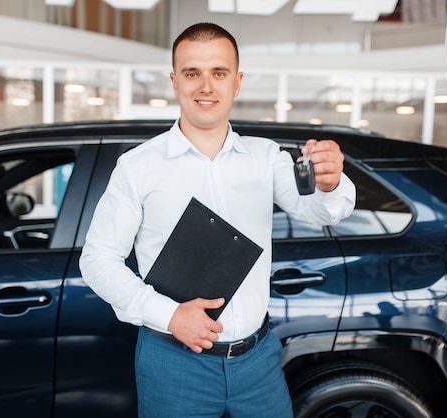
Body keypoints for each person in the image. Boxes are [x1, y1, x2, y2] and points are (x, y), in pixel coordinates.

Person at [79, 22, 356, 418]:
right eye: (193, 73)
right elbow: (98, 259)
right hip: (174, 362)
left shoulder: (267, 158)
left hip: (257, 362)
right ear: (175, 82)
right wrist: (169, 314)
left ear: (237, 82)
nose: (205, 86)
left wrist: (329, 183)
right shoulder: (137, 167)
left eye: (219, 73)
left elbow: (321, 211)